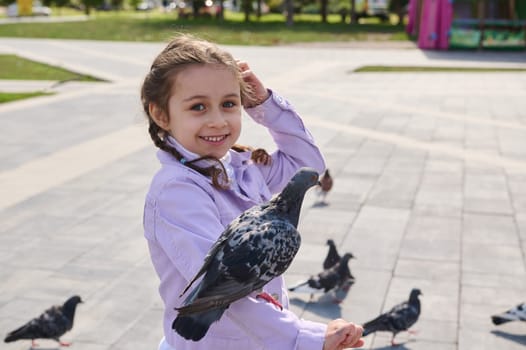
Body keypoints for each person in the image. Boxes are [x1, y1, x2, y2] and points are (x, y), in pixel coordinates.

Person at [141, 34, 364, 350]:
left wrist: (265, 105)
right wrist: (307, 339)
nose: (218, 121)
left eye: (229, 104)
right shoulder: (177, 192)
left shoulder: (244, 168)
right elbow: (219, 293)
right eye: (198, 107)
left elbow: (309, 166)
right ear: (161, 115)